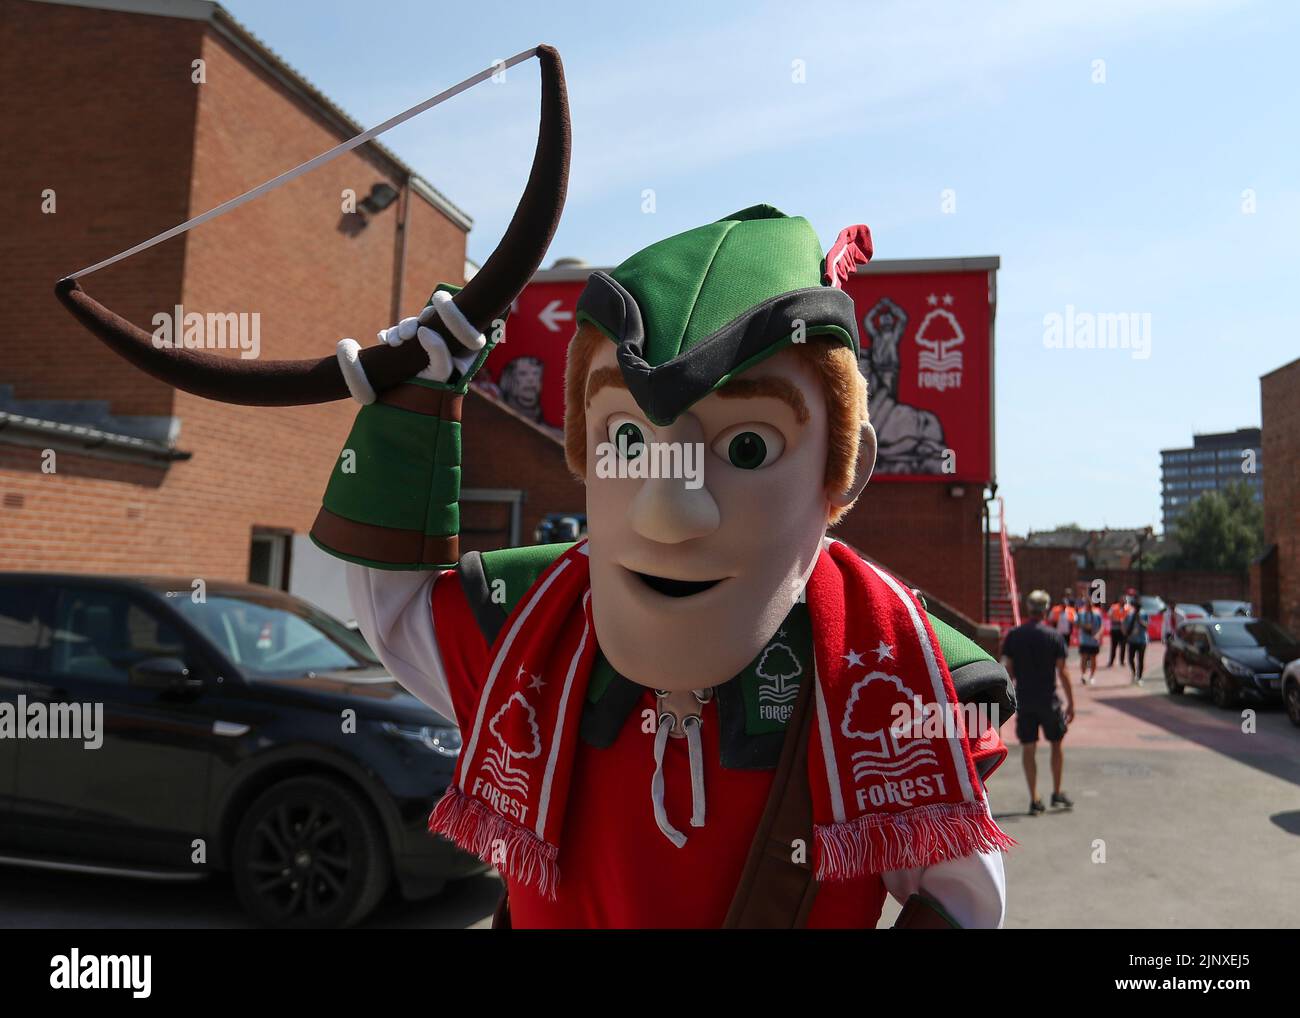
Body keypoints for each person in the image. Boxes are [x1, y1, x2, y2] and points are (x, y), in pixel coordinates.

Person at [60, 193, 1017, 927]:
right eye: (627, 444)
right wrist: (414, 405)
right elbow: (397, 605)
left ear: (840, 476)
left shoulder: (896, 668)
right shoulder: (526, 625)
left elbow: (962, 893)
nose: (671, 512)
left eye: (751, 447)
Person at [1001, 590, 1075, 815]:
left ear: (1028, 608)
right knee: (1056, 743)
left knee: (1028, 748)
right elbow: (1063, 672)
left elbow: (1008, 669)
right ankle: (1057, 790)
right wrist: (1072, 702)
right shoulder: (1054, 636)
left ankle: (1034, 797)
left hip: (1025, 699)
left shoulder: (1014, 635)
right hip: (1048, 700)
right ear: (1045, 610)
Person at [1124, 596, 1151, 685]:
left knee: (1141, 659)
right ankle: (1134, 672)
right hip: (1132, 640)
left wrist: (1140, 620)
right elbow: (1125, 626)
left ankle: (1139, 677)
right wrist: (1126, 634)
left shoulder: (1144, 614)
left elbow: (1147, 626)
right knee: (1130, 658)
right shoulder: (1130, 615)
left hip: (1142, 640)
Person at [1076, 600, 1104, 684]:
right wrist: (1083, 626)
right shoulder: (1081, 614)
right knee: (1083, 658)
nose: (1089, 606)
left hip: (1094, 641)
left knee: (1093, 658)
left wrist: (1098, 635)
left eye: (1090, 604)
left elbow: (1101, 626)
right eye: (1087, 604)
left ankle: (1092, 676)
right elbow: (1076, 624)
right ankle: (1083, 674)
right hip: (1084, 640)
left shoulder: (1097, 614)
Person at [1107, 598, 1129, 668]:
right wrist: (1117, 620)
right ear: (1119, 601)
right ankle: (1111, 661)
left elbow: (1130, 617)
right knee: (1113, 646)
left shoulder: (1128, 608)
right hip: (1115, 629)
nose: (1124, 602)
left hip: (1123, 630)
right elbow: (1109, 615)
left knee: (1123, 647)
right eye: (1122, 600)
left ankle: (1122, 661)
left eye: (1125, 601)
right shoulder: (1114, 607)